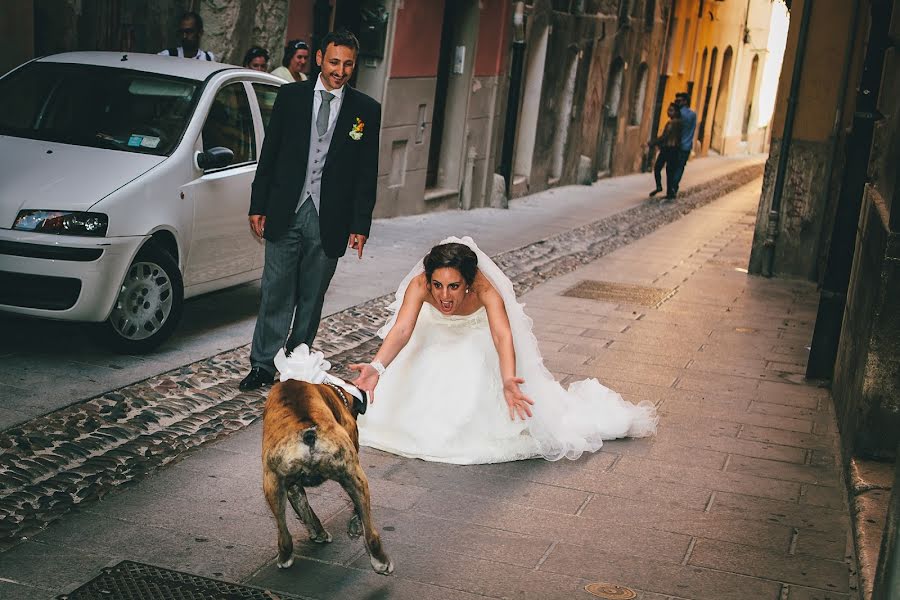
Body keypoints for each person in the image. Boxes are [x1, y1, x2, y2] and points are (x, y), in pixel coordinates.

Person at [350, 238, 658, 464]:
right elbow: (403, 329)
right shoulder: (420, 285)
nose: (444, 295)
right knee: (409, 374)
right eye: (438, 285)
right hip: (434, 333)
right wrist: (377, 369)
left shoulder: (485, 290)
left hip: (474, 334)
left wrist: (509, 378)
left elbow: (501, 334)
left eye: (454, 287)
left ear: (468, 283)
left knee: (469, 371)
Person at [239, 29, 381, 391]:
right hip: (287, 206)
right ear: (320, 58)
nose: (341, 70)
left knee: (311, 295)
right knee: (275, 289)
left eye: (348, 64)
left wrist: (360, 224)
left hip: (329, 216)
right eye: (334, 62)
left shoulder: (366, 110)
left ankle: (297, 360)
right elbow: (269, 153)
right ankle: (262, 365)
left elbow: (367, 171)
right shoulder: (290, 97)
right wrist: (259, 203)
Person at [648, 102, 683, 200]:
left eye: (671, 110)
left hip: (668, 149)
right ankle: (669, 192)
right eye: (668, 110)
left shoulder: (671, 123)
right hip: (675, 149)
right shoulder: (680, 123)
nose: (668, 112)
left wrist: (651, 143)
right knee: (670, 171)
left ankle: (660, 186)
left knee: (658, 167)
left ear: (676, 112)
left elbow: (664, 137)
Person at [668, 92, 697, 201]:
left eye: (679, 101)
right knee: (680, 167)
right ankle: (674, 187)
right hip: (687, 146)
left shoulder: (678, 113)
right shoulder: (693, 115)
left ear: (685, 101)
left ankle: (672, 187)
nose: (677, 102)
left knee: (672, 167)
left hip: (676, 145)